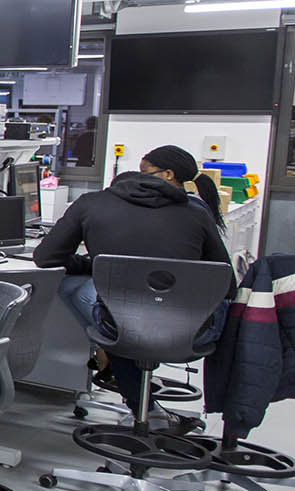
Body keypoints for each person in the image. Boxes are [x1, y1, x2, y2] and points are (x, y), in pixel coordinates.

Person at [34, 144, 228, 421]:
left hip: (124, 325)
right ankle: (138, 395)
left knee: (100, 304)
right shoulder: (196, 210)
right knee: (127, 316)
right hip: (192, 329)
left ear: (166, 174)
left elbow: (46, 258)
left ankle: (122, 374)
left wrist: (93, 265)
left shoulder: (92, 203)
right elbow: (224, 278)